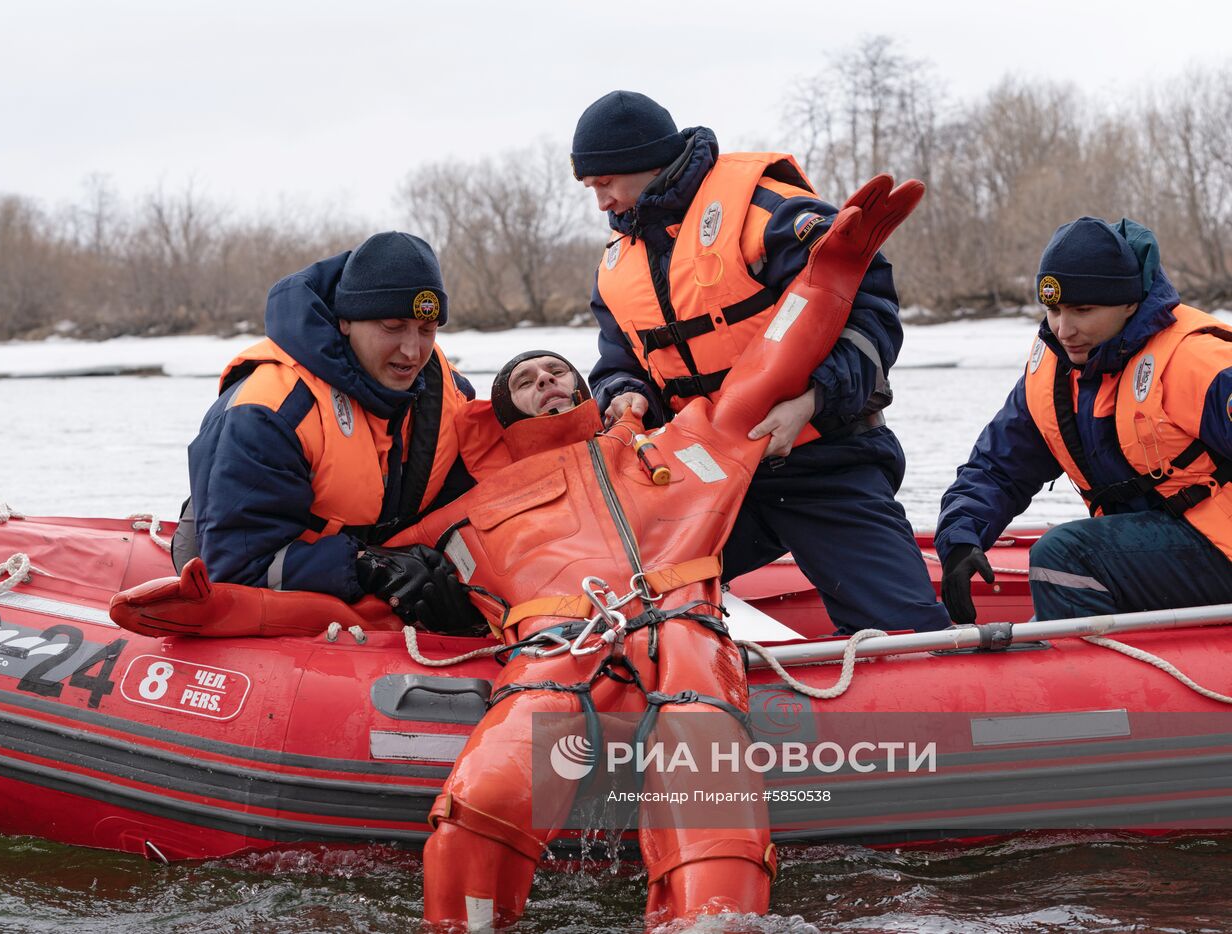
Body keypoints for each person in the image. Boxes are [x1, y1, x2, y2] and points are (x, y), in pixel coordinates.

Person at [388, 175, 925, 930]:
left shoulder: (663, 449)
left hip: (685, 635)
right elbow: (350, 581)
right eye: (526, 380)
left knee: (717, 835)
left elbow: (765, 369)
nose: (546, 382)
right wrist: (228, 603)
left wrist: (831, 275)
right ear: (502, 413)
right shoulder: (470, 505)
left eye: (557, 373)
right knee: (481, 809)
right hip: (557, 649)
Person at [570, 90, 950, 634]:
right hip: (706, 474)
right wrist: (623, 391)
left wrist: (812, 400)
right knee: (612, 597)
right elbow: (616, 361)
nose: (601, 202)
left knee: (907, 636)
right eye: (590, 188)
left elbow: (872, 314)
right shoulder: (616, 265)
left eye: (605, 184)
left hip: (825, 463)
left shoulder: (769, 212)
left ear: (643, 163)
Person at [936, 216, 1232, 622]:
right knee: (1066, 561)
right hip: (1164, 546)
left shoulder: (1193, 360)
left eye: (1083, 310)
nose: (1064, 329)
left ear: (1130, 303)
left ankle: (1092, 674)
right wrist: (960, 538)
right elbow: (998, 467)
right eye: (1053, 310)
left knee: (1064, 555)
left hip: (1221, 546)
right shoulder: (1054, 375)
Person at [180, 231, 480, 630]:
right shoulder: (268, 411)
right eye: (393, 326)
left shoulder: (451, 396)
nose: (412, 351)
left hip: (378, 548)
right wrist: (369, 567)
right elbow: (238, 567)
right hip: (243, 549)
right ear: (346, 321)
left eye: (427, 330)